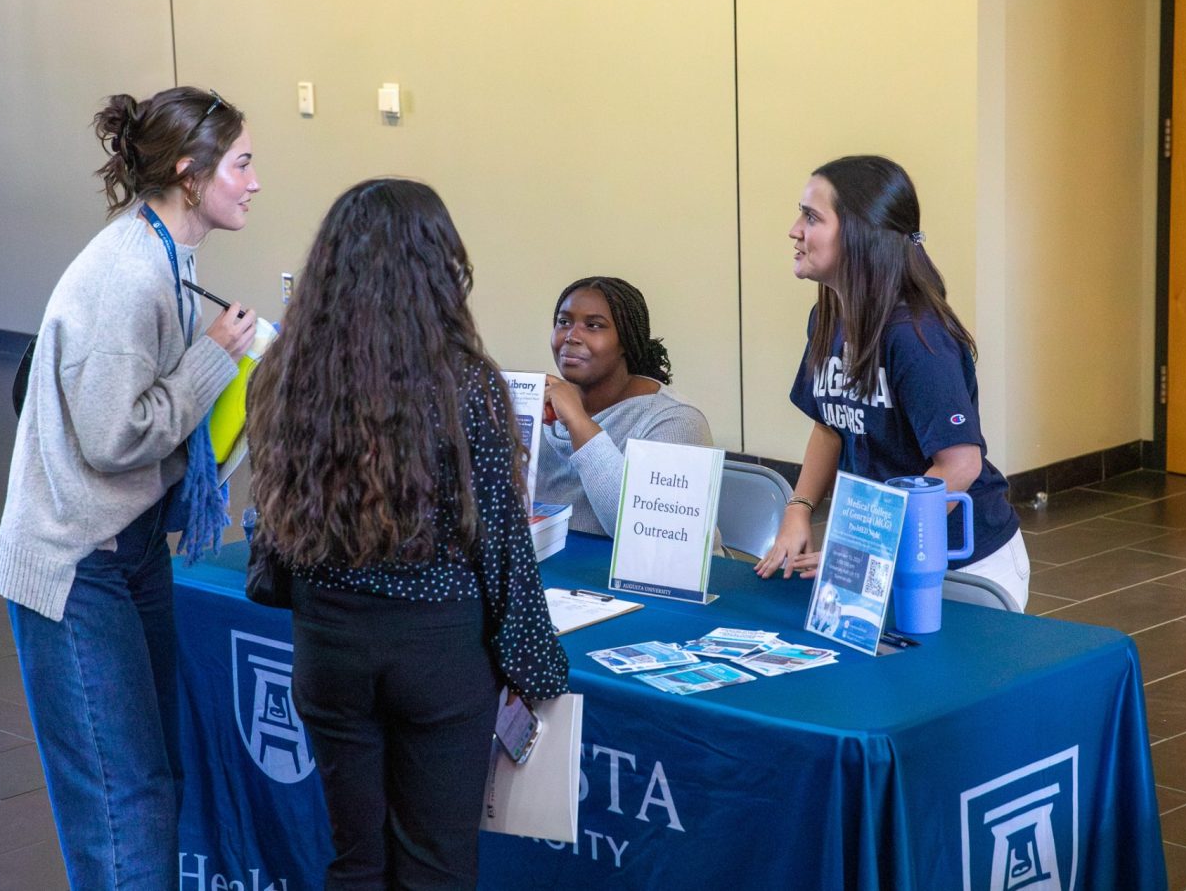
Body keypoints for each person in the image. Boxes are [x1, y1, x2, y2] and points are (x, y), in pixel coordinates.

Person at [245, 178, 569, 890]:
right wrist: (537, 667)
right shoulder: (464, 383)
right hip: (438, 653)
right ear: (436, 266)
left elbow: (274, 513)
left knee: (355, 862)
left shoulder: (287, 374)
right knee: (436, 868)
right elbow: (498, 537)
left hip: (328, 646)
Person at [0, 86, 259, 888]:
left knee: (152, 778)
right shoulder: (128, 274)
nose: (253, 182)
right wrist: (214, 358)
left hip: (126, 544)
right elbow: (114, 439)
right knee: (122, 800)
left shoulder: (168, 255)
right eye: (241, 165)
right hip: (77, 563)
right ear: (190, 173)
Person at [756, 155, 1028, 610]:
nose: (794, 230)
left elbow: (960, 466)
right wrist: (798, 509)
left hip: (960, 566)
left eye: (811, 217)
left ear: (860, 234)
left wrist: (868, 551)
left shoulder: (916, 335)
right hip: (881, 553)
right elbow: (831, 425)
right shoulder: (828, 316)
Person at [538, 276, 714, 535]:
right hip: (560, 567)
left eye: (594, 325)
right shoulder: (540, 406)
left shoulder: (675, 420)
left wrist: (578, 422)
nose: (572, 336)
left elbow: (644, 534)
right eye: (564, 322)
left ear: (626, 341)